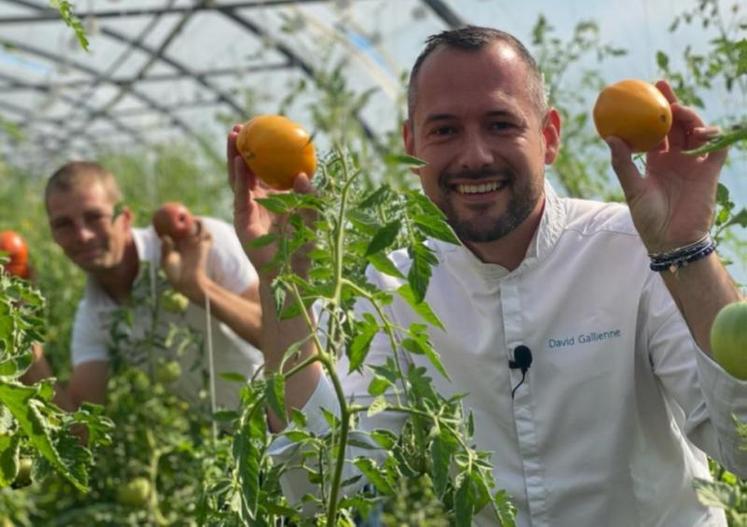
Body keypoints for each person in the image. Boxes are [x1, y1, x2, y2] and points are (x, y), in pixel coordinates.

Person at [226, 26, 746, 526]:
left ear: (549, 137)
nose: (474, 157)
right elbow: (316, 487)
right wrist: (282, 279)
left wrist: (685, 248)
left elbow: (742, 446)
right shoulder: (396, 288)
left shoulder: (635, 250)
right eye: (445, 130)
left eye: (501, 124)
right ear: (412, 146)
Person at [41, 161, 263, 411]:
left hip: (303, 410)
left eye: (94, 217)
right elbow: (79, 432)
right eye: (63, 225)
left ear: (125, 218)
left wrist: (198, 287)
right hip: (242, 439)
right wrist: (26, 348)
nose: (83, 235)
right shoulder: (94, 317)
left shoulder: (200, 243)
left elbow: (285, 337)